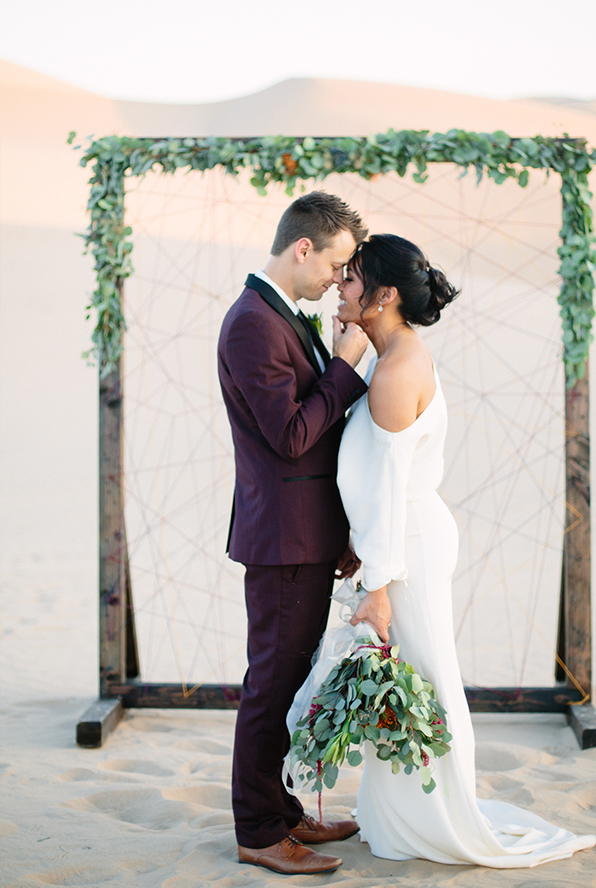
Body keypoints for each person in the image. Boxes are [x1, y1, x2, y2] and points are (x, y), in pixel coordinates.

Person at [331, 233, 596, 866]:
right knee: (404, 680)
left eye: (352, 276)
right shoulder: (388, 351)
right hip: (396, 541)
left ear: (385, 295)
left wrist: (378, 585)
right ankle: (402, 810)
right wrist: (358, 547)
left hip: (408, 546)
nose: (340, 283)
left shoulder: (396, 371)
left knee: (425, 681)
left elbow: (390, 488)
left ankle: (441, 817)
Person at [217, 192, 371, 875]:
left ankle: (281, 813)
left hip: (305, 534)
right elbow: (291, 435)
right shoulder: (253, 323)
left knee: (291, 679)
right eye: (336, 264)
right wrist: (344, 367)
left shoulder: (285, 315)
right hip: (281, 540)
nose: (339, 281)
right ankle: (257, 830)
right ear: (302, 247)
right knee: (271, 685)